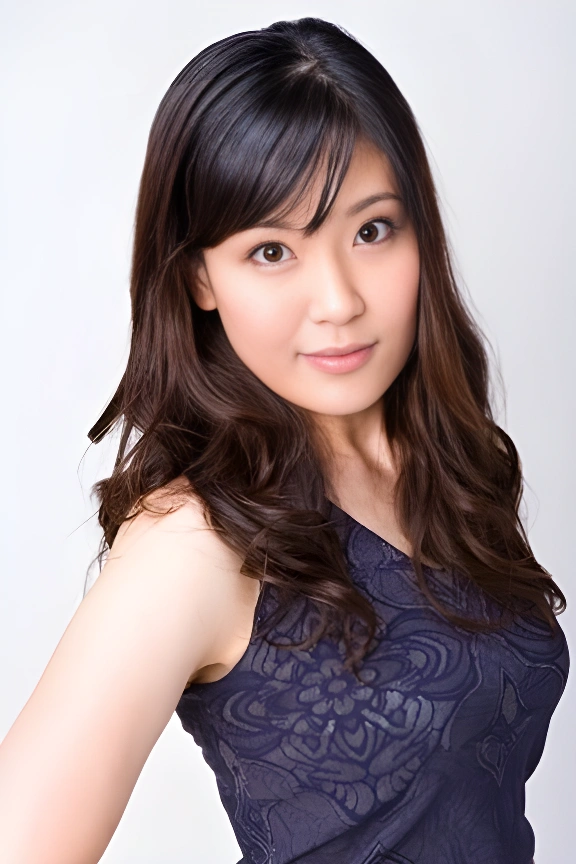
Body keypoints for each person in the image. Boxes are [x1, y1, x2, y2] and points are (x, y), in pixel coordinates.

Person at [0, 16, 568, 864]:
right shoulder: (194, 541)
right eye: (271, 250)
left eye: (372, 231)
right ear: (199, 277)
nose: (338, 300)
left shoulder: (451, 465)